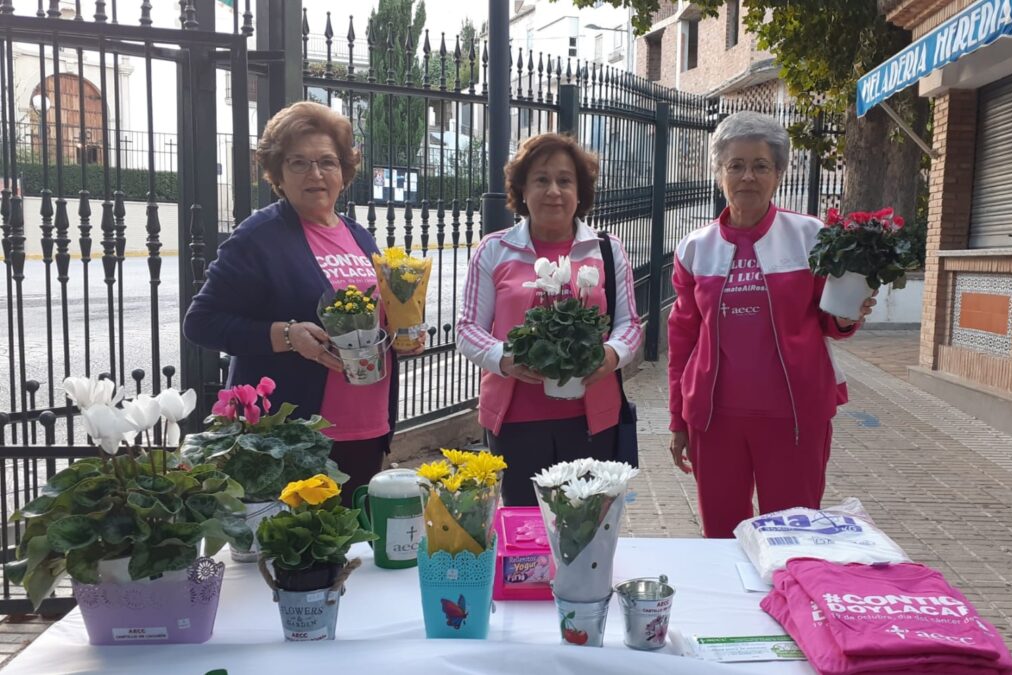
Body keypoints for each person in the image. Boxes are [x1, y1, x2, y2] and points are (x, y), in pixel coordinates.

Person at [184, 101, 420, 503]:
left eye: (327, 162)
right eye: (299, 163)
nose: (316, 175)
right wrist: (287, 335)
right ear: (278, 173)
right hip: (296, 438)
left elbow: (378, 317)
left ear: (344, 171)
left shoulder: (358, 236)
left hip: (367, 427)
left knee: (356, 553)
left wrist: (402, 334)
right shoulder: (258, 236)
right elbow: (201, 322)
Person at [667, 111, 875, 538]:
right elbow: (682, 341)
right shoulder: (695, 248)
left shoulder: (810, 236)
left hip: (795, 415)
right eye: (735, 165)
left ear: (779, 173)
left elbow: (832, 321)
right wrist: (677, 420)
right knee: (722, 535)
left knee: (793, 535)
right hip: (715, 419)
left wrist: (847, 314)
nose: (747, 176)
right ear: (719, 173)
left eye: (761, 166)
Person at [457, 133, 642, 506]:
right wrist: (504, 358)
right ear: (523, 189)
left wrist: (611, 354)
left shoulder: (607, 249)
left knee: (588, 527)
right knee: (527, 533)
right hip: (516, 421)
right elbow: (467, 329)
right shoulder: (495, 249)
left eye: (565, 180)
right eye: (541, 179)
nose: (553, 190)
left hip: (592, 420)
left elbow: (631, 325)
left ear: (580, 191)